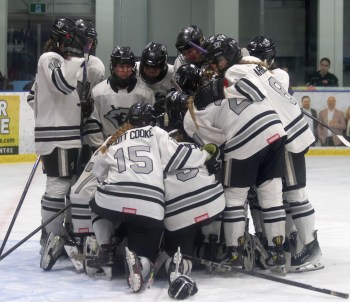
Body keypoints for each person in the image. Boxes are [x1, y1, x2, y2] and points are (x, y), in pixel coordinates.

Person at [89, 102, 221, 293]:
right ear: (153, 120)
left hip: (114, 196)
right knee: (152, 248)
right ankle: (168, 263)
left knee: (94, 203)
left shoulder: (112, 139)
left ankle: (106, 248)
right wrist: (205, 154)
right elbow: (179, 157)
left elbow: (98, 171)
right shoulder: (156, 133)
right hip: (152, 203)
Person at [184, 34, 288, 273]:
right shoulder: (248, 71)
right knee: (271, 197)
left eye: (215, 61)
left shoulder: (205, 100)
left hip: (245, 137)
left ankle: (234, 253)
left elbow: (215, 140)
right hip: (275, 129)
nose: (213, 66)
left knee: (234, 199)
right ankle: (277, 253)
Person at [246, 36, 324, 273]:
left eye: (259, 56)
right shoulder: (264, 75)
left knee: (295, 194)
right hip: (275, 143)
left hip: (288, 141)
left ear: (269, 57)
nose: (255, 61)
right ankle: (291, 241)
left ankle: (311, 248)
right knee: (275, 197)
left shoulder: (278, 75)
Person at [33, 17, 87, 271]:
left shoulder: (58, 61)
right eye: (75, 37)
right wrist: (76, 57)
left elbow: (38, 96)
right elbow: (63, 85)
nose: (79, 42)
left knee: (70, 186)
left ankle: (60, 234)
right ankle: (51, 235)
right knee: (59, 185)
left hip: (64, 134)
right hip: (58, 136)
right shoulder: (50, 59)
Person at [82, 46, 155, 149]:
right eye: (121, 67)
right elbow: (93, 124)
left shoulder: (146, 93)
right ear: (114, 67)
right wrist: (100, 148)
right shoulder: (98, 92)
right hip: (107, 149)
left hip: (137, 148)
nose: (125, 71)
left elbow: (151, 127)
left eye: (128, 66)